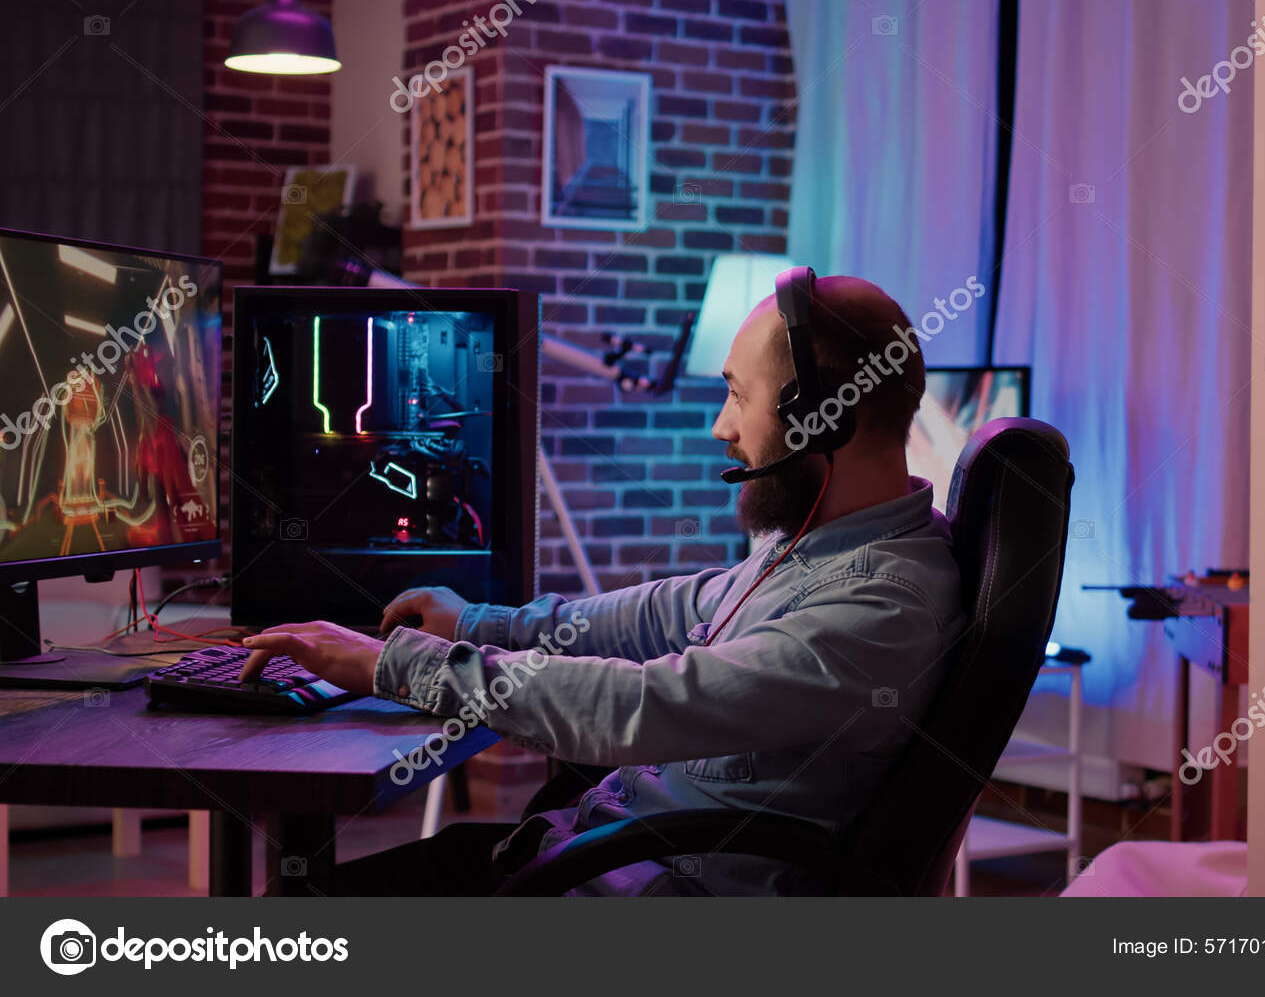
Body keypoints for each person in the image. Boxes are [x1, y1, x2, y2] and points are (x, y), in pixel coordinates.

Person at [239, 274, 965, 895]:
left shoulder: (879, 605)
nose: (723, 428)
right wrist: (476, 624)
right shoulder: (825, 544)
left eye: (739, 396)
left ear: (821, 416)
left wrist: (386, 664)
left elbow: (646, 706)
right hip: (596, 851)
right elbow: (664, 613)